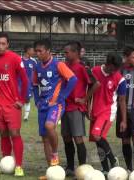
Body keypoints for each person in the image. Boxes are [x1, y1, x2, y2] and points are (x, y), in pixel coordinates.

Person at [0, 32, 28, 177]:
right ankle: (5, 163)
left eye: (3, 43)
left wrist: (22, 100)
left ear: (8, 44)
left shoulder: (15, 58)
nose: (1, 46)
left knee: (15, 133)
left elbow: (25, 80)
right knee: (3, 134)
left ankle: (19, 166)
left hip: (12, 105)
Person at [32, 39, 77, 180]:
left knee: (50, 126)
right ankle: (51, 172)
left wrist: (62, 96)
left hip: (56, 104)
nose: (38, 54)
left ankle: (55, 154)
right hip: (43, 106)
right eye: (36, 51)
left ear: (48, 51)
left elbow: (73, 79)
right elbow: (34, 85)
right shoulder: (37, 67)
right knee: (45, 138)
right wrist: (37, 100)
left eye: (40, 51)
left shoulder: (58, 64)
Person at [61, 41, 97, 176]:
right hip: (65, 106)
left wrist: (84, 99)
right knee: (66, 137)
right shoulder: (64, 66)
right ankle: (70, 167)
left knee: (78, 138)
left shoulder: (82, 67)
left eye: (67, 52)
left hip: (76, 108)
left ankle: (82, 169)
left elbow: (96, 84)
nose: (65, 54)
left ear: (75, 53)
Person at [90, 53, 127, 174]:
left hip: (108, 111)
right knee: (98, 141)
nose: (115, 71)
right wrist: (87, 108)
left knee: (96, 135)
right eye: (113, 68)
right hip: (95, 111)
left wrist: (123, 120)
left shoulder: (120, 79)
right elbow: (89, 90)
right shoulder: (94, 71)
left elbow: (122, 100)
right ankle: (105, 169)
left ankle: (113, 160)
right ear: (108, 64)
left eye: (117, 69)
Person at [115, 45, 134, 171]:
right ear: (126, 57)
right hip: (123, 111)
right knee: (125, 140)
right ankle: (129, 168)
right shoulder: (119, 71)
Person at [21, 44, 36, 122]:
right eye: (32, 50)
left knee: (27, 100)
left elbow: (35, 73)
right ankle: (17, 114)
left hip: (29, 85)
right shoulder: (19, 60)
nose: (34, 52)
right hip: (19, 84)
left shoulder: (33, 61)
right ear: (28, 51)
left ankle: (26, 117)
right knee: (19, 100)